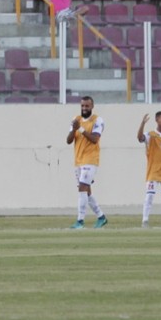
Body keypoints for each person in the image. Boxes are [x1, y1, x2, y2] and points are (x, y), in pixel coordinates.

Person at [66, 96, 107, 229]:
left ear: (92, 106)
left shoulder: (97, 120)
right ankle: (101, 217)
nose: (84, 108)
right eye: (82, 106)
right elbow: (68, 140)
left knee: (82, 188)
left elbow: (95, 139)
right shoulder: (75, 120)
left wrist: (81, 129)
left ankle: (80, 221)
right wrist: (74, 129)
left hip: (91, 159)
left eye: (87, 106)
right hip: (78, 160)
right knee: (86, 192)